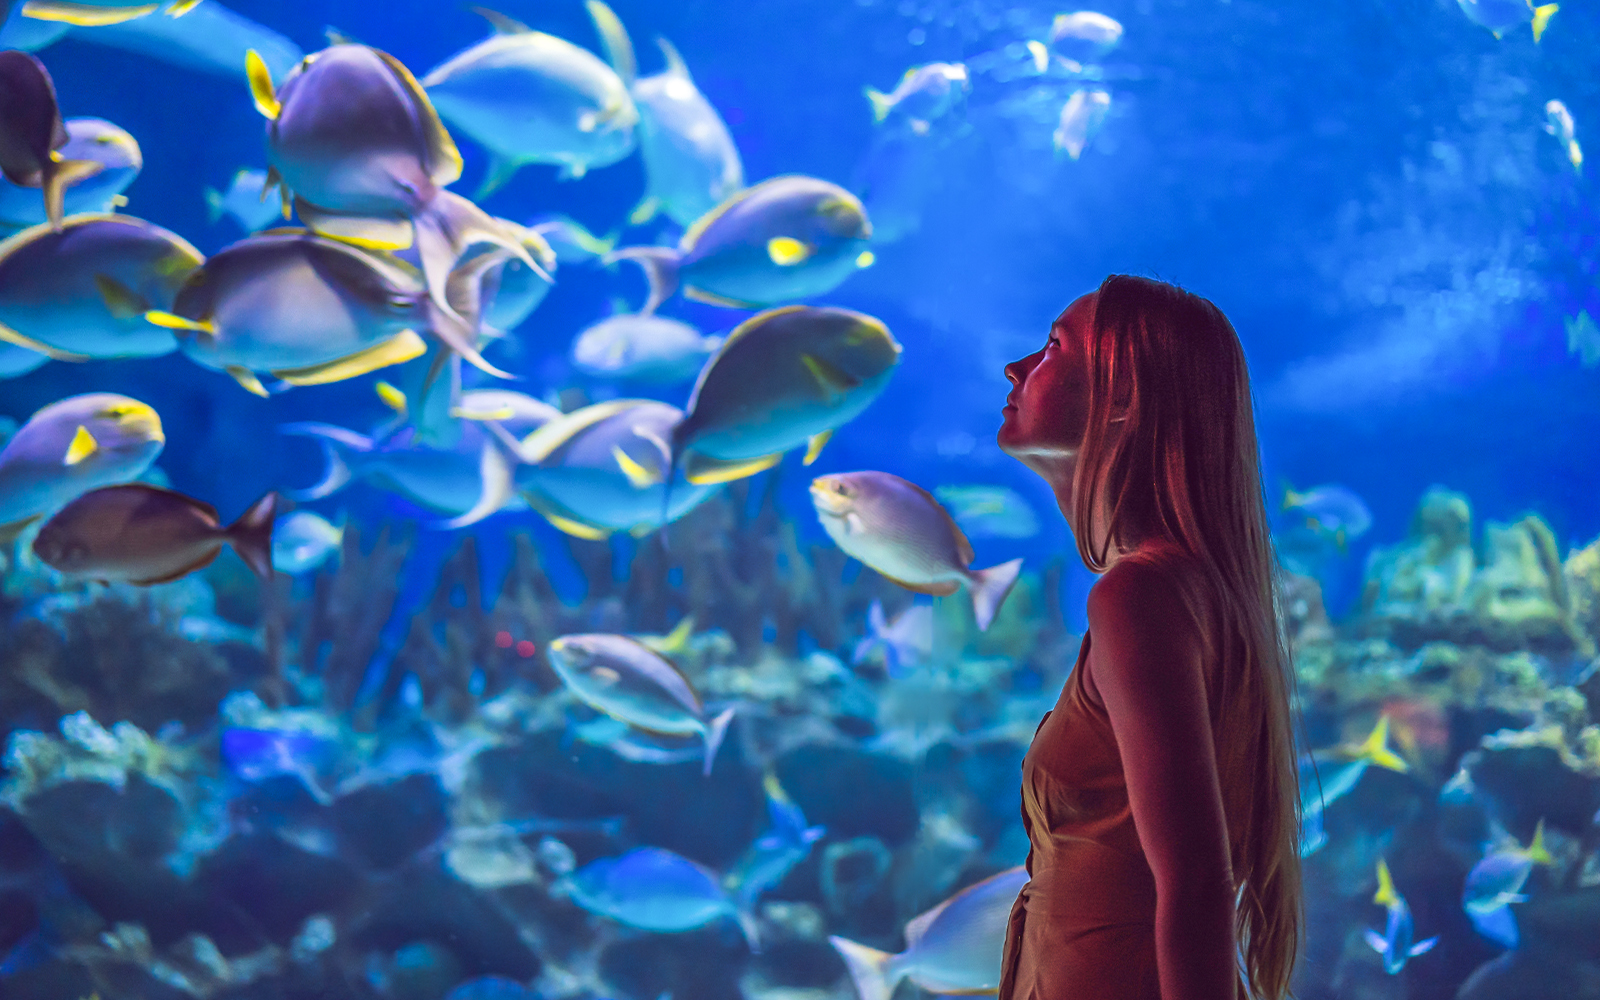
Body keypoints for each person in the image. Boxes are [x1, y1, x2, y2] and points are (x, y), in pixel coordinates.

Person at [995, 274, 1304, 1000]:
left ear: (1124, 399)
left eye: (1053, 349)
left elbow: (1197, 884)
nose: (1016, 367)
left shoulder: (1139, 598)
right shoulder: (1193, 591)